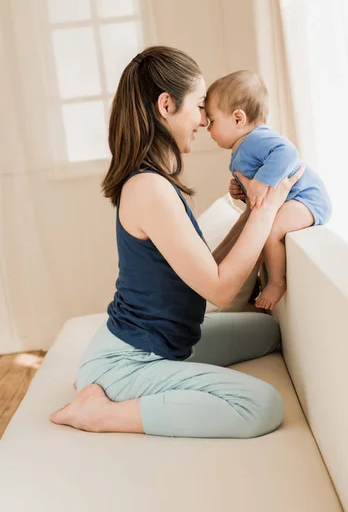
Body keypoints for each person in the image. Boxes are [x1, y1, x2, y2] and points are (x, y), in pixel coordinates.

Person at [50, 46, 304, 439]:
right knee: (261, 406)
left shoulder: (155, 181)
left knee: (267, 333)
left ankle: (101, 380)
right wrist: (268, 208)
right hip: (131, 359)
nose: (204, 118)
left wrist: (253, 209)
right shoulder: (149, 187)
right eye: (200, 104)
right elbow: (220, 289)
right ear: (166, 104)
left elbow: (204, 270)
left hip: (164, 342)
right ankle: (99, 411)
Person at [206, 70, 332, 310]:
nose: (207, 128)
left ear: (238, 119)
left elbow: (287, 153)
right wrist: (241, 189)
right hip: (291, 200)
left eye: (212, 121)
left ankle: (276, 282)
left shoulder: (256, 138)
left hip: (306, 198)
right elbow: (257, 188)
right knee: (256, 229)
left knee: (271, 230)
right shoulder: (242, 147)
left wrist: (261, 183)